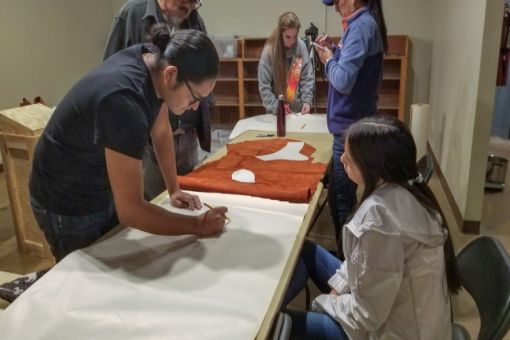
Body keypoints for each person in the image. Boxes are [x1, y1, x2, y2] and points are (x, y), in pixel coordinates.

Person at [29, 26, 227, 263]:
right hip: (65, 197)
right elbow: (131, 210)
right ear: (171, 74)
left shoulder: (155, 62)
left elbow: (162, 130)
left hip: (99, 184)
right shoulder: (124, 102)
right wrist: (197, 226)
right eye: (195, 98)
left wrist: (173, 188)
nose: (195, 107)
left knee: (117, 257)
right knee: (86, 280)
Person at [283, 115, 461, 339]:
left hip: (389, 332)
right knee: (305, 250)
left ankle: (272, 316)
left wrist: (325, 302)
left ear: (373, 167)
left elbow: (366, 316)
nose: (342, 159)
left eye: (349, 158)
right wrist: (339, 287)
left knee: (281, 325)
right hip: (392, 308)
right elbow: (363, 260)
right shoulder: (404, 188)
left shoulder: (379, 222)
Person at [104, 0, 212, 200]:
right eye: (186, 0)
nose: (189, 8)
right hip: (146, 141)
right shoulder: (131, 14)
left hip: (186, 135)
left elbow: (202, 75)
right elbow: (110, 78)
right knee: (151, 204)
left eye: (195, 2)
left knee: (186, 200)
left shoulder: (195, 20)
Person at [314, 0, 388, 252]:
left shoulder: (361, 27)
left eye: (337, 2)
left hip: (349, 130)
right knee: (338, 200)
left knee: (343, 203)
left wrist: (327, 59)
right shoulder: (360, 25)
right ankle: (346, 259)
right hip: (349, 127)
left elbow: (343, 81)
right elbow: (353, 69)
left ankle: (346, 267)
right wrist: (334, 50)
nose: (335, 8)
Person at [258, 12, 315, 114]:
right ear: (280, 33)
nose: (291, 41)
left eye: (294, 36)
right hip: (276, 114)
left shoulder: (300, 47)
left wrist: (307, 102)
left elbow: (306, 77)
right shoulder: (269, 51)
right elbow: (264, 86)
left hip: (298, 113)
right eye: (288, 37)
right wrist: (277, 107)